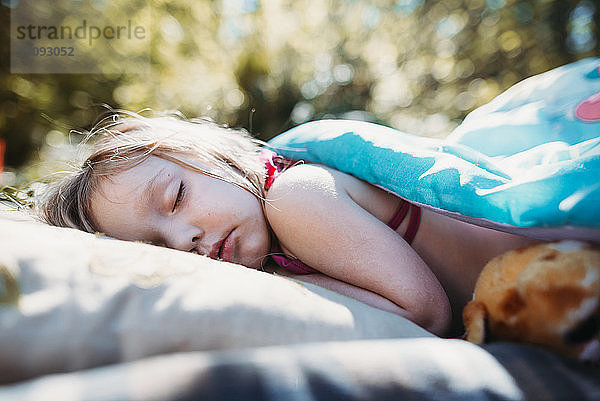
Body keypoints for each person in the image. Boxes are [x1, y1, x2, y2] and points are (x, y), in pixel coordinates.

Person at [39, 111, 540, 337]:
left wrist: (276, 283)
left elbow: (426, 314)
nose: (182, 240)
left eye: (176, 197)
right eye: (157, 247)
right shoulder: (274, 227)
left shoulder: (293, 199)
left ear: (205, 155)